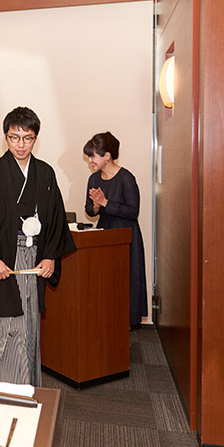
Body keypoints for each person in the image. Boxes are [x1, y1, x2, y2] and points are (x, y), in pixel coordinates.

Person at [0, 106, 76, 387]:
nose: (20, 144)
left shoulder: (45, 174)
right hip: (1, 259)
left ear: (35, 138)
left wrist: (50, 256)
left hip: (34, 257)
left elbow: (55, 217)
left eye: (27, 138)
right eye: (14, 138)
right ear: (6, 137)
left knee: (28, 326)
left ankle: (26, 388)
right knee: (4, 325)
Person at [84, 131, 147, 327]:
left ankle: (125, 326)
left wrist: (105, 202)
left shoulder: (126, 178)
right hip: (104, 234)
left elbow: (133, 211)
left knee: (125, 282)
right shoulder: (94, 180)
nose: (90, 160)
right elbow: (89, 210)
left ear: (107, 156)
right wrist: (95, 206)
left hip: (126, 236)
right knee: (106, 281)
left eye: (93, 155)